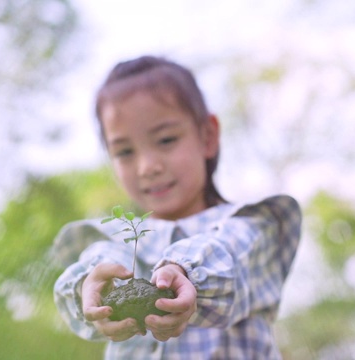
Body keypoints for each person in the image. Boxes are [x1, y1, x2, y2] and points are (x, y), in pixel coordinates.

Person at [52, 55, 302, 359]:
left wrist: (186, 273)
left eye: (166, 139)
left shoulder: (248, 226)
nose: (147, 166)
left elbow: (232, 254)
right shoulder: (117, 240)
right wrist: (88, 288)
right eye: (125, 151)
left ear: (207, 136)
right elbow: (102, 259)